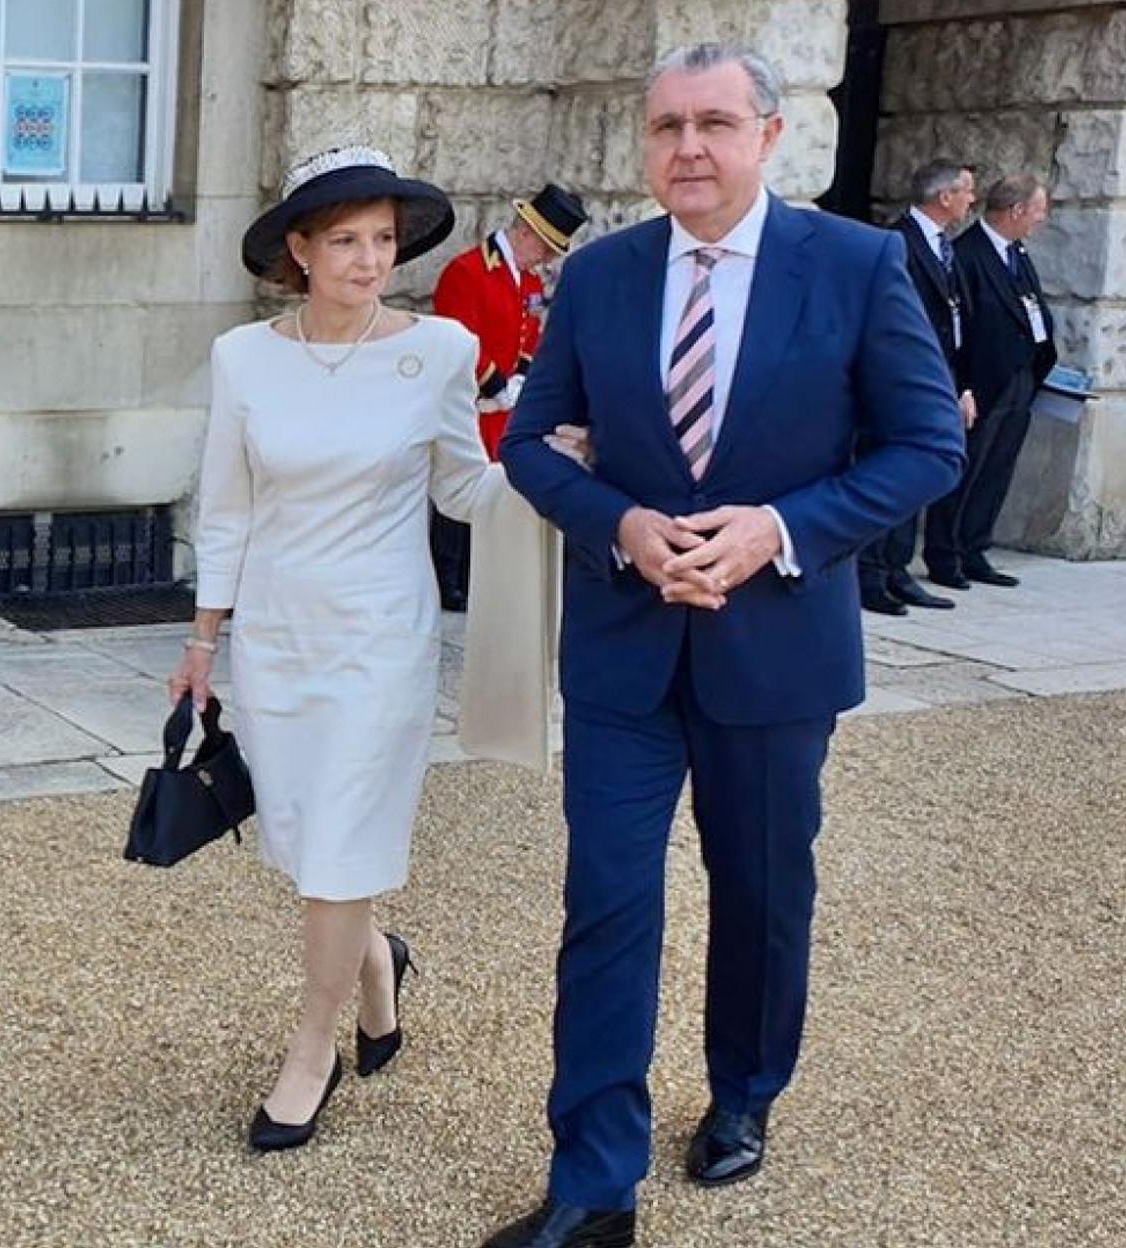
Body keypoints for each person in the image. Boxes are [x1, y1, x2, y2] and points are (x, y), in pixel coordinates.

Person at [483, 43, 964, 1248]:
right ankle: (594, 1182)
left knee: (759, 894)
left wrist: (780, 532)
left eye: (711, 124)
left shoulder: (855, 267)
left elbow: (924, 448)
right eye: (664, 129)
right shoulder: (598, 280)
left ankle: (745, 1093)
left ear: (767, 135)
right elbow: (534, 444)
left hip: (777, 650)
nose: (686, 149)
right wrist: (626, 528)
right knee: (606, 903)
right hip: (624, 653)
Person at [166, 146, 584, 1154]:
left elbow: (462, 489)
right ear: (298, 252)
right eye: (345, 240)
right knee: (313, 845)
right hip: (278, 639)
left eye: (383, 240)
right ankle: (377, 966)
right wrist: (202, 643)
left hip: (381, 644)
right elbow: (225, 510)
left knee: (343, 838)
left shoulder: (437, 349)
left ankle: (312, 1053)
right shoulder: (243, 359)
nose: (367, 260)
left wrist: (544, 468)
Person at [429, 185, 589, 609]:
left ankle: (473, 572)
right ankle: (447, 575)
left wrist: (521, 374)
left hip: (502, 408)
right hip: (469, 401)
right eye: (548, 249)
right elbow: (457, 337)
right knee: (458, 484)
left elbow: (528, 330)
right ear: (527, 234)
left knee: (492, 488)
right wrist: (494, 382)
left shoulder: (530, 278)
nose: (548, 259)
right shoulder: (468, 271)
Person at [924, 174, 1056, 590]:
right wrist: (963, 384)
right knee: (967, 466)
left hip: (1019, 378)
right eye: (1038, 210)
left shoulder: (1017, 253)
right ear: (1016, 211)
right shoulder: (967, 254)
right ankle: (944, 554)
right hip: (981, 383)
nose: (1042, 218)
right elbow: (959, 325)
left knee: (996, 469)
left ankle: (973, 547)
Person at [859, 159, 978, 616]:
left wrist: (959, 384)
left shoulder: (946, 248)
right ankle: (870, 574)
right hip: (898, 382)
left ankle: (896, 569)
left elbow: (953, 322)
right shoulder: (897, 243)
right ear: (944, 196)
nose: (971, 200)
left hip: (937, 378)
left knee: (915, 478)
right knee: (885, 473)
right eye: (965, 191)